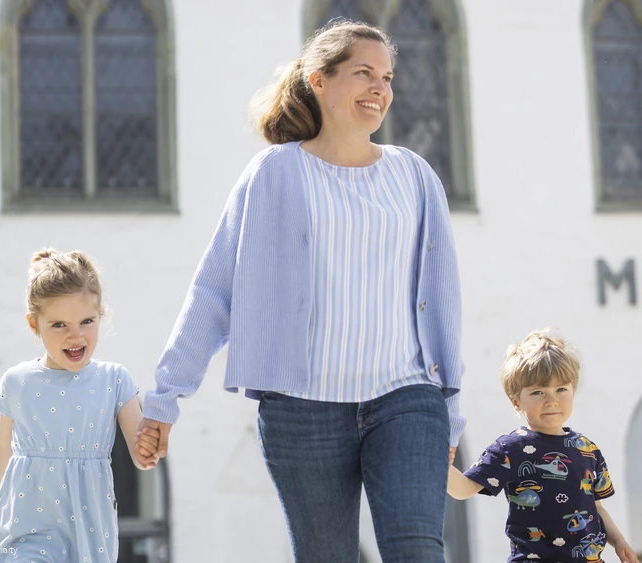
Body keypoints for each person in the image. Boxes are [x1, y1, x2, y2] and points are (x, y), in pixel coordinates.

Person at [137, 19, 465, 563]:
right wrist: (166, 397)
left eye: (387, 77)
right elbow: (217, 288)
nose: (380, 88)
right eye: (364, 73)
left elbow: (444, 298)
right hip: (302, 410)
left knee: (418, 551)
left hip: (406, 397)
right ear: (319, 80)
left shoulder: (415, 176)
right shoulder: (274, 173)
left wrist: (450, 410)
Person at [0, 248, 160, 563]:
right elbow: (2, 451)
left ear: (100, 317)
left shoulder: (114, 379)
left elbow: (140, 455)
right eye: (59, 325)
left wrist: (149, 449)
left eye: (86, 321)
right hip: (25, 526)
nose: (76, 336)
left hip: (88, 530)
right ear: (34, 325)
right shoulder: (18, 381)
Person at [447, 329, 638, 563]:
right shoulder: (509, 449)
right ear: (516, 402)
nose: (551, 400)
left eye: (561, 389)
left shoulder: (587, 449)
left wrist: (619, 541)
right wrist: (436, 461)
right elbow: (463, 489)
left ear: (573, 390)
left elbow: (596, 507)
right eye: (538, 392)